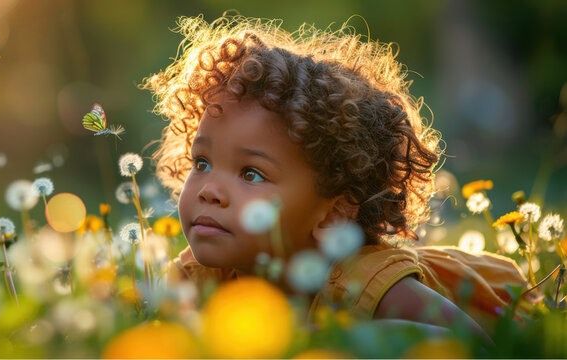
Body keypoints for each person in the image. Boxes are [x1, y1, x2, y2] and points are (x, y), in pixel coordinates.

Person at [143, 15, 537, 341]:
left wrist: (326, 339)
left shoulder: (360, 281)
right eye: (202, 163)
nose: (209, 190)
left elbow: (472, 343)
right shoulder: (200, 278)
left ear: (333, 211)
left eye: (251, 173)